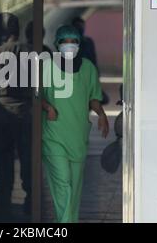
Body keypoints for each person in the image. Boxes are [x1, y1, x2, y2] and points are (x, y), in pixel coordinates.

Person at [41, 24, 109, 223]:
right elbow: (36, 95)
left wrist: (102, 114)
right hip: (53, 136)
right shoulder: (47, 66)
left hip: (78, 137)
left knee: (75, 188)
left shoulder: (88, 68)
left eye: (73, 42)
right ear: (57, 43)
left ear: (80, 44)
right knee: (62, 184)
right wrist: (48, 107)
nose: (69, 46)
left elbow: (93, 97)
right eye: (65, 42)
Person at [0, 12, 33, 216]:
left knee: (3, 159)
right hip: (25, 110)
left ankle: (3, 200)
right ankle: (30, 199)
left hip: (2, 111)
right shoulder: (30, 53)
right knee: (27, 158)